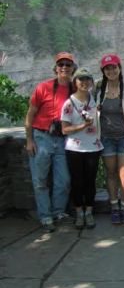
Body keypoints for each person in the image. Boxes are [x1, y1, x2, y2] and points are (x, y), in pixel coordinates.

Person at [25, 52, 76, 232]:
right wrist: (29, 140)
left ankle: (58, 212)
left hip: (63, 140)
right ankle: (46, 216)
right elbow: (30, 114)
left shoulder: (74, 90)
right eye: (61, 64)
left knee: (64, 180)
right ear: (55, 68)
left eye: (68, 65)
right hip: (42, 137)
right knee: (40, 180)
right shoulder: (43, 87)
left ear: (72, 68)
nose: (64, 67)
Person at [61, 68, 103, 230]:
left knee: (90, 182)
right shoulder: (69, 103)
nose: (84, 82)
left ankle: (89, 212)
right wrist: (82, 126)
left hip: (93, 147)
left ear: (91, 82)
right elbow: (65, 129)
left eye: (87, 79)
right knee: (77, 181)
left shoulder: (95, 100)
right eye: (81, 79)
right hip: (75, 148)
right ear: (75, 82)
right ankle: (79, 213)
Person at [95, 54, 124, 225]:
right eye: (107, 68)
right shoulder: (97, 88)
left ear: (119, 68)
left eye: (113, 67)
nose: (111, 70)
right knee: (111, 174)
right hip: (106, 138)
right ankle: (114, 208)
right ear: (103, 71)